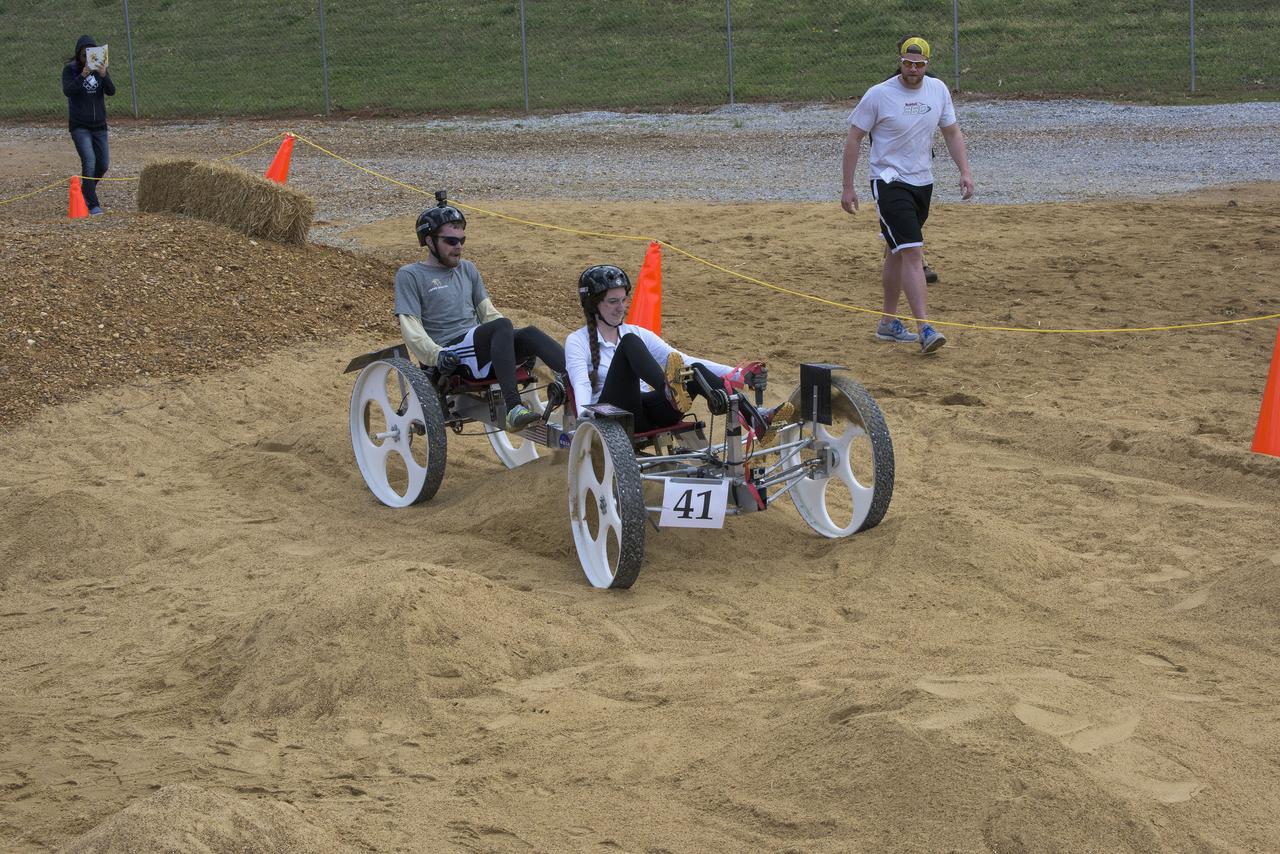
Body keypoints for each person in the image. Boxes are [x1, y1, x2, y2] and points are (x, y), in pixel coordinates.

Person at [841, 35, 973, 354]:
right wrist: (848, 187)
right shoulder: (879, 95)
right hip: (889, 180)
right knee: (913, 251)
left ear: (928, 65)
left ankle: (887, 323)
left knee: (896, 250)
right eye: (907, 63)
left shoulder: (938, 90)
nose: (912, 69)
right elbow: (854, 138)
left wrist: (965, 171)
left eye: (919, 64)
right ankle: (925, 327)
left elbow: (951, 132)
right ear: (899, 61)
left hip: (922, 181)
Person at [393, 193, 566, 432]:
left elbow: (488, 312)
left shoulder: (467, 269)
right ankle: (514, 408)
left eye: (462, 240)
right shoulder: (410, 275)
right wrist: (436, 355)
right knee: (502, 326)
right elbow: (410, 328)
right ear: (430, 241)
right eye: (451, 241)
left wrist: (508, 341)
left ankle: (582, 381)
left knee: (529, 334)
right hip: (450, 353)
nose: (459, 247)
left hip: (479, 345)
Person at [565, 264, 791, 438]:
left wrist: (739, 375)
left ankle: (757, 421)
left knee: (694, 370)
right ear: (593, 305)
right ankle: (669, 390)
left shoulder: (636, 331)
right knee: (630, 344)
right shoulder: (577, 341)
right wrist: (585, 418)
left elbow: (682, 359)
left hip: (649, 414)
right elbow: (581, 382)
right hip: (613, 418)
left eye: (624, 300)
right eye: (613, 301)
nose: (621, 307)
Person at [62, 35, 114, 216]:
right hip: (80, 126)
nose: (87, 59)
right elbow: (68, 91)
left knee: (103, 164)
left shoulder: (100, 69)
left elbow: (111, 91)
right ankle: (92, 205)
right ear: (79, 55)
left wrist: (104, 75)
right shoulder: (70, 70)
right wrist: (82, 76)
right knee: (89, 162)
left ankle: (86, 191)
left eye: (90, 55)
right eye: (84, 55)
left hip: (99, 125)